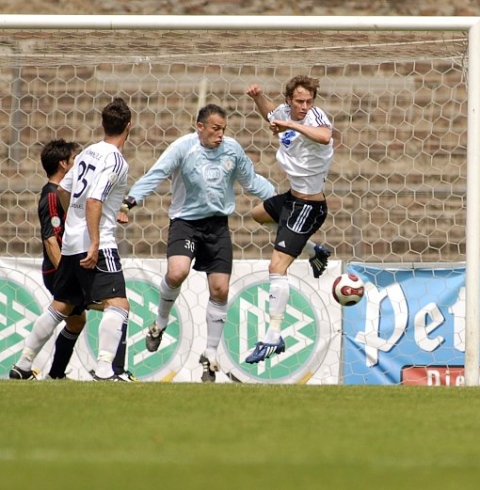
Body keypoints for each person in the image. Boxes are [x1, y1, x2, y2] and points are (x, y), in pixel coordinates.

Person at [119, 103, 301, 382]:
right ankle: (160, 323)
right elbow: (156, 174)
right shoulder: (183, 147)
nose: (220, 134)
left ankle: (210, 356)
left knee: (220, 289)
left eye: (223, 129)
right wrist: (130, 201)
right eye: (215, 129)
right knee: (177, 272)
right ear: (200, 127)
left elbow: (251, 181)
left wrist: (284, 202)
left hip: (217, 226)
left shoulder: (232, 150)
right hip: (186, 224)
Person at [14, 98, 133, 382]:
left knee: (62, 305)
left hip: (70, 243)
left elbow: (64, 191)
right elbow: (94, 200)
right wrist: (93, 241)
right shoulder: (116, 160)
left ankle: (22, 363)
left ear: (104, 125)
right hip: (98, 243)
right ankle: (105, 370)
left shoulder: (88, 153)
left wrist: (76, 223)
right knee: (118, 305)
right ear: (129, 127)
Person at [243, 75, 334, 364]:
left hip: (309, 205)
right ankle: (313, 251)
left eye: (309, 101)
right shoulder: (283, 112)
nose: (305, 106)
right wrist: (257, 97)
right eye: (299, 101)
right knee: (257, 214)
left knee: (276, 267)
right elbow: (271, 113)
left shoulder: (316, 118)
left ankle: (273, 336)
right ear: (289, 100)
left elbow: (325, 136)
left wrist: (292, 125)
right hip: (292, 199)